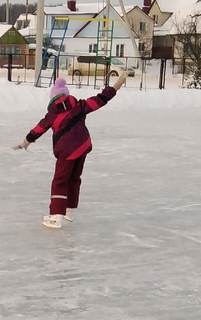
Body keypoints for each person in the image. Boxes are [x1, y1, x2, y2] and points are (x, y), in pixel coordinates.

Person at [13, 73, 123, 228]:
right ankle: (69, 210)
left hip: (66, 151)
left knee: (60, 181)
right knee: (74, 178)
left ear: (52, 99)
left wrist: (26, 141)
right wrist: (117, 85)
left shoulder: (52, 114)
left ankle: (56, 215)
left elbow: (39, 129)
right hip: (82, 147)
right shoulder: (80, 106)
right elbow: (100, 100)